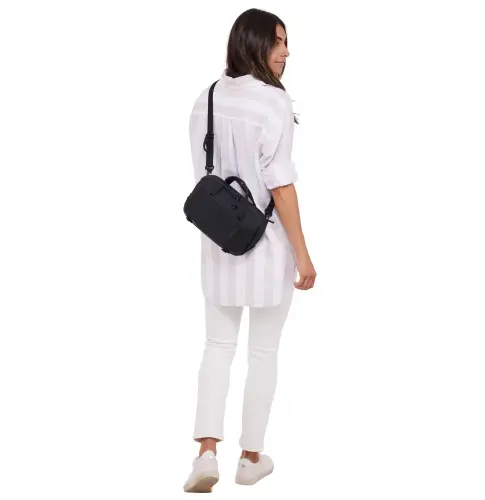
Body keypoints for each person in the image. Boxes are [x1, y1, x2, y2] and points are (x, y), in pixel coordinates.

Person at [183, 8, 317, 493]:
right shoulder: (272, 101)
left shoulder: (207, 97)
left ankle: (205, 454)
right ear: (253, 44)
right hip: (267, 247)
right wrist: (303, 254)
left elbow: (205, 174)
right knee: (263, 352)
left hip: (218, 244)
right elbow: (280, 185)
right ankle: (250, 458)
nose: (286, 52)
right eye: (277, 42)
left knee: (217, 347)